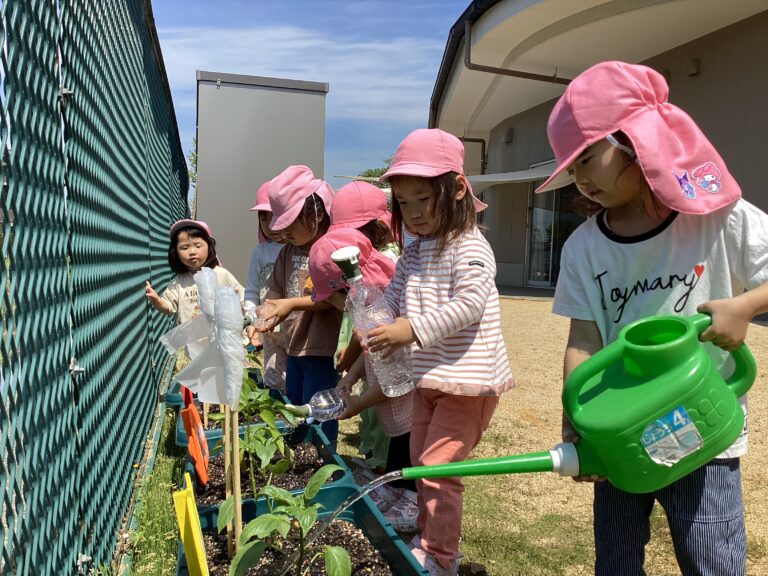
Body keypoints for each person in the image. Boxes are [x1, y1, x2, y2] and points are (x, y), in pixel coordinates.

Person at [536, 60, 768, 576]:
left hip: (703, 426)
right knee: (616, 560)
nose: (579, 178)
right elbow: (584, 339)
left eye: (587, 157)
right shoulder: (584, 248)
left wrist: (746, 306)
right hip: (622, 428)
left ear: (638, 140)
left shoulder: (718, 218)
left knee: (711, 558)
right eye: (571, 168)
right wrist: (578, 417)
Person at [368, 128, 515, 576]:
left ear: (456, 190)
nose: (412, 212)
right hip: (428, 377)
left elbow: (470, 304)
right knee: (420, 465)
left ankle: (441, 557)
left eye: (423, 199)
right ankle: (427, 539)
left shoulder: (470, 246)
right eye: (403, 203)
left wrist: (410, 329)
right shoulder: (414, 252)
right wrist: (373, 326)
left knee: (437, 467)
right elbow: (392, 298)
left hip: (468, 381)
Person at [307, 227, 418, 530]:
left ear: (347, 288)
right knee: (398, 440)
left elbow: (393, 383)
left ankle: (413, 497)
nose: (337, 306)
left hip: (403, 393)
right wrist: (349, 378)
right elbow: (369, 353)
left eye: (334, 298)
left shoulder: (384, 313)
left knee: (411, 442)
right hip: (390, 395)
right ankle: (395, 486)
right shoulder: (365, 305)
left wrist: (358, 403)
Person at [258, 165, 343, 442]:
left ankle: (325, 455)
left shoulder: (330, 249)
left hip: (321, 347)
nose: (284, 233)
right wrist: (267, 310)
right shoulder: (288, 251)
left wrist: (289, 304)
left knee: (319, 407)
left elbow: (332, 298)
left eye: (289, 224)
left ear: (316, 213)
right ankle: (299, 452)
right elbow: (275, 287)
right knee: (294, 402)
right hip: (293, 342)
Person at [329, 180, 399, 472]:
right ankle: (373, 454)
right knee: (369, 408)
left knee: (383, 407)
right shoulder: (358, 264)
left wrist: (352, 350)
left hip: (381, 350)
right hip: (365, 347)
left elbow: (372, 320)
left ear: (377, 231)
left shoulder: (386, 262)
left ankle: (382, 462)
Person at [145, 219, 244, 369]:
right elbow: (169, 306)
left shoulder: (221, 274)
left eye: (198, 246)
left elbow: (242, 298)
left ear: (209, 246)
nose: (192, 252)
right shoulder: (179, 282)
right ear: (175, 252)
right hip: (195, 348)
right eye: (184, 247)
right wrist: (157, 301)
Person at [244, 180, 288, 391]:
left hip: (299, 328)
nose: (271, 224)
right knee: (273, 375)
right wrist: (252, 319)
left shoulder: (299, 250)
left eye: (276, 216)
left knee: (296, 376)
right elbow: (252, 290)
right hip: (270, 329)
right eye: (264, 218)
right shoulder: (260, 252)